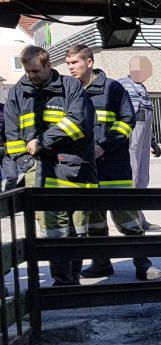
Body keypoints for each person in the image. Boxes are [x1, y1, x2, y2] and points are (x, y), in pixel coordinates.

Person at [65, 45, 161, 281]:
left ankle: (143, 265)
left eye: (75, 63)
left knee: (128, 219)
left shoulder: (113, 88)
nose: (71, 68)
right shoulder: (69, 91)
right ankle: (101, 264)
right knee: (94, 222)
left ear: (89, 62)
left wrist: (104, 146)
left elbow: (127, 121)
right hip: (85, 170)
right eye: (68, 64)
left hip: (114, 167)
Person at [4, 45, 96, 285]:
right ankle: (63, 282)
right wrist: (27, 165)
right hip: (40, 171)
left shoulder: (70, 86)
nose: (31, 75)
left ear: (48, 66)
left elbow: (78, 122)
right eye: (27, 71)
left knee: (78, 231)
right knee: (54, 231)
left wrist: (42, 141)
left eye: (35, 70)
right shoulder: (17, 93)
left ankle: (72, 279)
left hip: (75, 168)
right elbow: (12, 137)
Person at [117, 56, 161, 230]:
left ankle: (139, 217)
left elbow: (147, 119)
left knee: (142, 178)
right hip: (130, 140)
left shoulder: (142, 88)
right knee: (132, 177)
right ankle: (133, 220)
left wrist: (153, 142)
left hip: (143, 139)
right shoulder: (121, 85)